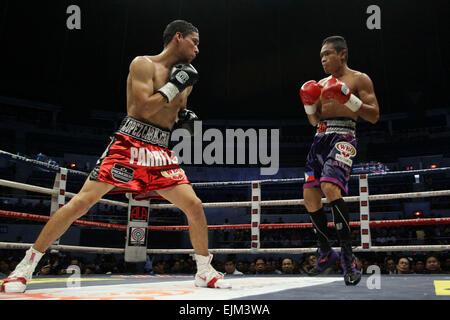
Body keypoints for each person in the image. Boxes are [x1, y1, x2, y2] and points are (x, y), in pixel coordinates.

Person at [1, 20, 231, 293]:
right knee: (81, 204)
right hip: (129, 144)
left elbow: (172, 112)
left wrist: (185, 118)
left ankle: (204, 270)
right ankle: (24, 268)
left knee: (193, 205)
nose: (197, 49)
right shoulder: (143, 64)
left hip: (160, 152)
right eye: (194, 42)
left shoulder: (188, 78)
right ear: (178, 37)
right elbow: (144, 108)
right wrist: (173, 86)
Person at [299, 36, 380, 286]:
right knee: (309, 196)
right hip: (320, 137)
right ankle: (325, 252)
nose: (323, 60)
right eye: (321, 56)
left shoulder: (359, 79)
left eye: (327, 54)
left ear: (342, 54)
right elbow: (314, 121)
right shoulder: (320, 84)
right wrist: (309, 105)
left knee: (330, 187)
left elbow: (374, 115)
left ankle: (348, 258)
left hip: (344, 136)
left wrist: (349, 98)